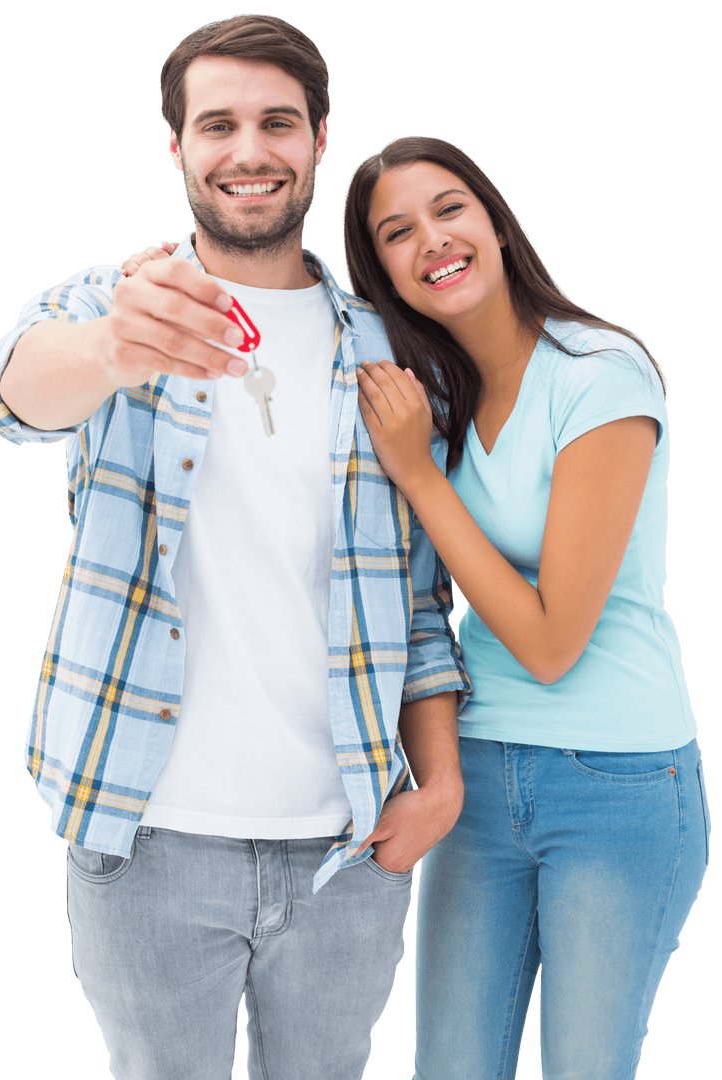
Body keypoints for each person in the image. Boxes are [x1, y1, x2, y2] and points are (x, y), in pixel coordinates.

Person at [0, 20, 471, 1080]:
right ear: (177, 148)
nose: (248, 149)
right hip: (143, 837)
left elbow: (422, 603)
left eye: (275, 123)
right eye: (218, 125)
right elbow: (9, 394)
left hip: (347, 846)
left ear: (317, 138)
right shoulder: (115, 304)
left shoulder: (393, 354)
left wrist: (437, 784)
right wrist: (112, 346)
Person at [341, 136, 710, 1080]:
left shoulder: (601, 376)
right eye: (396, 231)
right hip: (473, 771)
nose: (431, 238)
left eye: (449, 208)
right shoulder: (433, 398)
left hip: (616, 783)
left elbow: (551, 642)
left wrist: (419, 475)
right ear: (380, 270)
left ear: (496, 224)